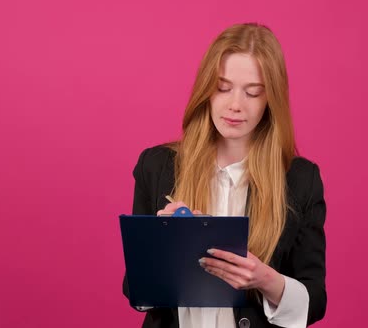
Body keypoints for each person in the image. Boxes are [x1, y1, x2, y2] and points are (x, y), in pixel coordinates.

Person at [122, 23, 327, 328]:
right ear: (206, 88)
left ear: (271, 100)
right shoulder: (157, 166)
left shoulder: (300, 180)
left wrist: (266, 279)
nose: (235, 105)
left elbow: (315, 302)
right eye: (223, 87)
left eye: (253, 93)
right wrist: (163, 245)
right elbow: (136, 293)